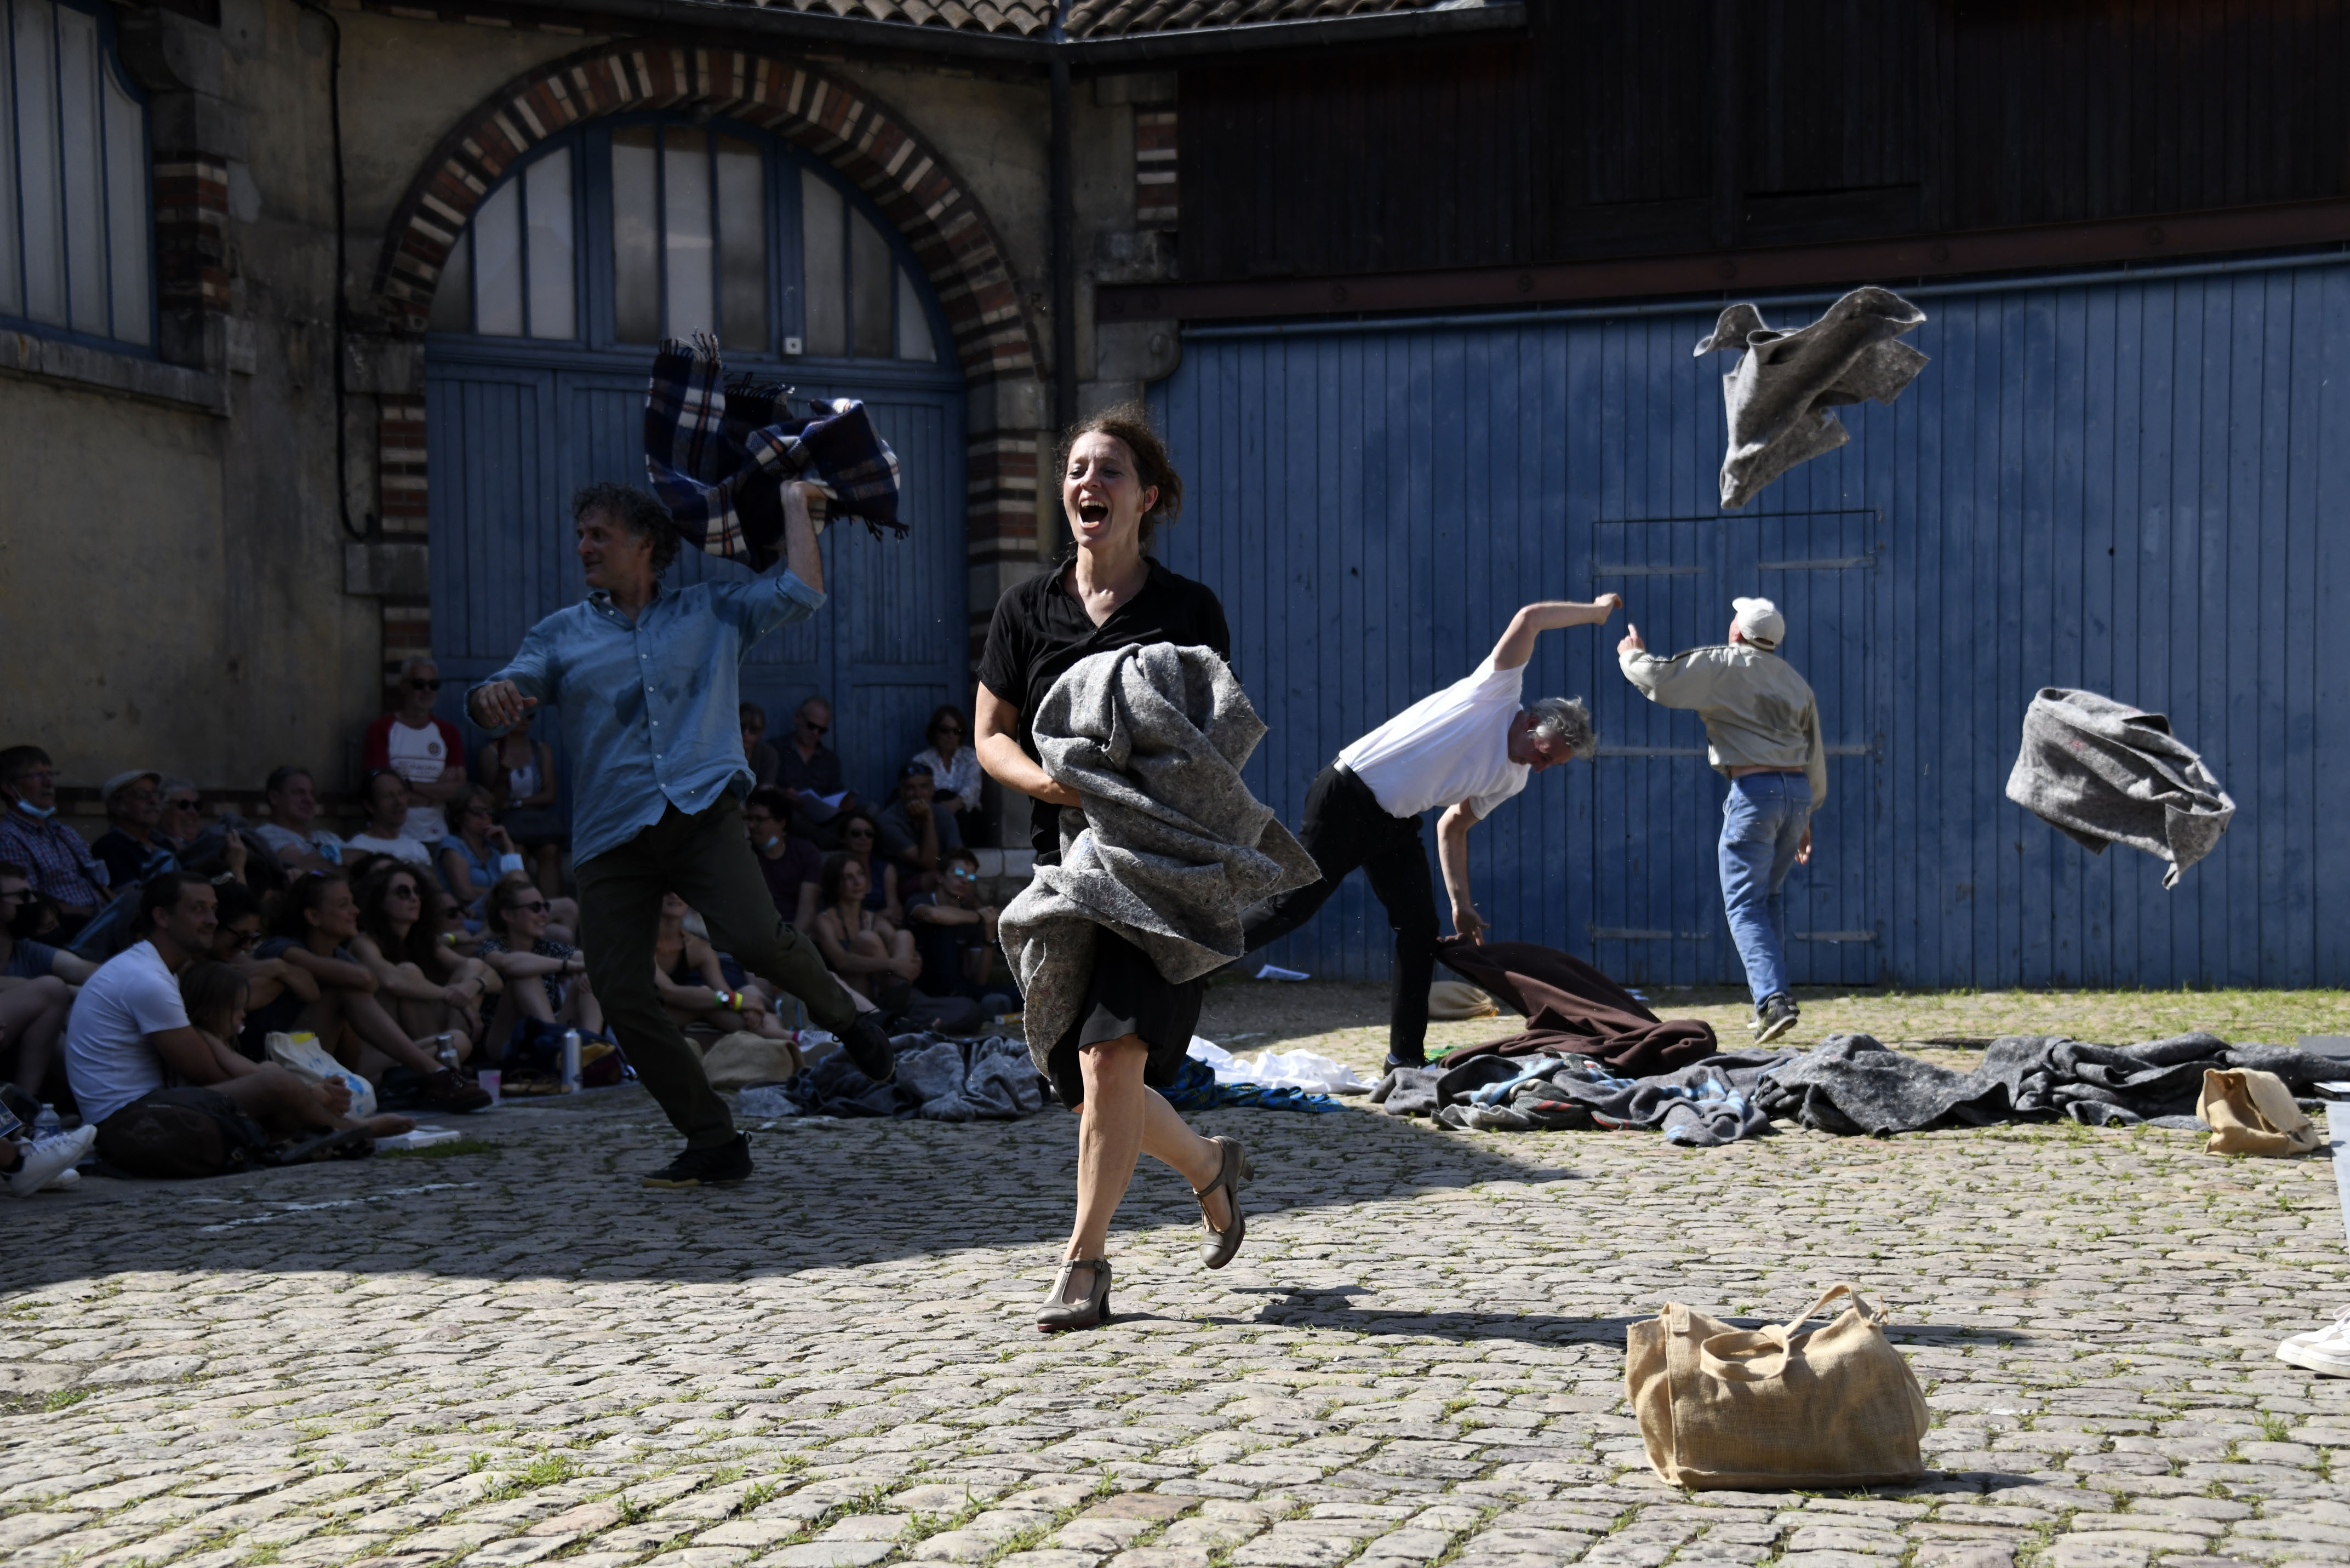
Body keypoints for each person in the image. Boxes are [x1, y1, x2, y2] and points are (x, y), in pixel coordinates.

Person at [466, 478, 895, 1188]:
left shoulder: (713, 610)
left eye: (599, 534)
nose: (583, 547)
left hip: (701, 813)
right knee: (622, 993)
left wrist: (794, 506)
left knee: (756, 937)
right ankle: (713, 1138)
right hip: (612, 833)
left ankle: (846, 1019)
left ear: (647, 544)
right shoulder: (561, 632)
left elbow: (800, 590)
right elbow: (507, 687)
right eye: (581, 536)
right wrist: (488, 698)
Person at [974, 404, 1252, 1332]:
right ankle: (1210, 1165)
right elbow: (989, 737)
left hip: (1160, 873)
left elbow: (1207, 745)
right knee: (1095, 1075)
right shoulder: (1026, 610)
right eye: (1077, 470)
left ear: (1149, 497)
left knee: (1108, 1056)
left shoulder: (1188, 609)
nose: (1087, 485)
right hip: (1067, 874)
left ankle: (1083, 1264)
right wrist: (1049, 785)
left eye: (1109, 472)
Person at [1240, 597, 1619, 1072]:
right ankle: (1189, 964)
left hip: (1395, 824)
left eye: (1551, 765)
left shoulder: (1514, 776)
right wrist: (1596, 611)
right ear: (1528, 722)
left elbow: (1453, 825)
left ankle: (1405, 1059)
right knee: (1291, 907)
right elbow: (1529, 618)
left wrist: (1461, 904)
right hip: (1346, 795)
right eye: (1543, 753)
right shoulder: (1495, 693)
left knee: (1419, 931)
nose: (1539, 768)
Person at [61, 873, 414, 1163]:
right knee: (276, 1084)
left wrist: (304, 1093)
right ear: (162, 917)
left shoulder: (157, 971)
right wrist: (306, 1092)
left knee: (276, 1087)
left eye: (213, 910)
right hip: (129, 1123)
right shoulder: (147, 979)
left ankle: (321, 1128)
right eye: (198, 910)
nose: (212, 921)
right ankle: (348, 1129)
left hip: (155, 1110)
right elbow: (206, 1072)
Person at [1618, 595, 1826, 1044]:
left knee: (1744, 905)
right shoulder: (1794, 681)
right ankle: (1768, 999)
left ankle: (1773, 1000)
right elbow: (1814, 751)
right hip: (1796, 794)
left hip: (1755, 793)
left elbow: (1660, 679)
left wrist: (1630, 656)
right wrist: (1806, 814)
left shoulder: (1723, 664)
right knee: (1766, 899)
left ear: (1737, 632)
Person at [257, 872, 491, 1109]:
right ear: (313, 916)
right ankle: (435, 1075)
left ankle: (426, 1077)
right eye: (343, 905)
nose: (354, 911)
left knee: (455, 1041)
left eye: (352, 903)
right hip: (282, 1062)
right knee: (346, 988)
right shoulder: (280, 947)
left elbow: (368, 981)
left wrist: (474, 986)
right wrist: (453, 995)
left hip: (338, 1059)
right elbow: (367, 979)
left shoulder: (340, 955)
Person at [177, 959, 417, 1142]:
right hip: (211, 1114)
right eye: (237, 1009)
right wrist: (308, 1091)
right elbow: (243, 1072)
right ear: (210, 1012)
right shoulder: (205, 1036)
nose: (243, 1015)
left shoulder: (216, 1039)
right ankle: (349, 1127)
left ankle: (328, 1119)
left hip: (230, 1108)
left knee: (273, 1071)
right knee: (270, 1071)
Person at [350, 861, 499, 1048]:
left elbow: (494, 977)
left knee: (473, 967)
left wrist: (475, 985)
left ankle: (455, 1051)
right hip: (383, 1047)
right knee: (409, 971)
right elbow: (392, 980)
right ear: (380, 902)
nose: (414, 898)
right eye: (403, 893)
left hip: (423, 1035)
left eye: (417, 891)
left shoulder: (421, 941)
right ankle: (451, 1052)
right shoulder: (364, 942)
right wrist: (455, 998)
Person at [477, 873, 602, 1048]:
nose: (545, 914)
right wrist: (569, 966)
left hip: (547, 1034)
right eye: (536, 907)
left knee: (588, 980)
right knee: (524, 976)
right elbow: (508, 964)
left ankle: (594, 1048)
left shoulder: (546, 947)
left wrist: (586, 971)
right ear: (508, 915)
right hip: (503, 1041)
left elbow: (590, 961)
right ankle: (554, 1049)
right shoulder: (492, 947)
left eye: (546, 906)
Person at [651, 894, 792, 1040]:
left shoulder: (698, 947)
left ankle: (795, 1038)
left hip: (670, 1017)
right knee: (707, 999)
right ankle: (792, 1038)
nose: (675, 895)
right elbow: (669, 992)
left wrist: (746, 1007)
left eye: (679, 889)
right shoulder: (641, 940)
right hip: (638, 1018)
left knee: (717, 1000)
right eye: (667, 889)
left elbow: (724, 992)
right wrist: (737, 1001)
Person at [0, 746, 108, 935]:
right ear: (10, 787)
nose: (49, 782)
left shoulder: (64, 832)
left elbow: (95, 884)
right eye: (38, 776)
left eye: (50, 774)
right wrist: (92, 913)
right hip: (65, 932)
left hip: (101, 922)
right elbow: (31, 907)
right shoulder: (8, 839)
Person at [208, 877, 318, 1060]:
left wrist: (279, 967)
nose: (247, 946)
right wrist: (281, 981)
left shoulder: (237, 957)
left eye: (254, 937)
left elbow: (313, 991)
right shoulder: (196, 965)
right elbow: (237, 999)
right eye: (242, 937)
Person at [365, 657, 468, 844]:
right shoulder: (381, 729)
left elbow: (459, 792)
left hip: (438, 837)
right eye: (419, 684)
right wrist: (436, 796)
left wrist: (409, 786)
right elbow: (380, 795)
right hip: (393, 838)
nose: (427, 690)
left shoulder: (449, 733)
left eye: (433, 684)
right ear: (404, 686)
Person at [905, 846, 1014, 1014]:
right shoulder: (919, 900)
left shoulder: (970, 919)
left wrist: (988, 937)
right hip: (921, 987)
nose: (965, 881)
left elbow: (979, 981)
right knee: (944, 926)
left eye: (970, 877)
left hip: (960, 990)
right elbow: (934, 915)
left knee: (1018, 995)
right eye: (959, 874)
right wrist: (980, 917)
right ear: (940, 877)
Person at [477, 707, 567, 899]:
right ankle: (524, 909)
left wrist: (516, 803)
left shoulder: (542, 750)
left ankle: (550, 910)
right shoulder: (491, 753)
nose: (525, 719)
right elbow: (494, 802)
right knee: (517, 853)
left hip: (537, 824)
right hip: (510, 826)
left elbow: (550, 795)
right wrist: (502, 774)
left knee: (550, 852)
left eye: (531, 715)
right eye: (519, 714)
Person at [810, 852, 921, 1005]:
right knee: (867, 939)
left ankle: (897, 998)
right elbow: (841, 962)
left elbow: (907, 955)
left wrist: (913, 961)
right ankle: (899, 1001)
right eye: (849, 877)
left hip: (879, 989)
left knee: (904, 936)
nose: (857, 882)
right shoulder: (824, 920)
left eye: (861, 874)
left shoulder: (875, 920)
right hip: (846, 994)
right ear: (835, 884)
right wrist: (893, 964)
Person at [438, 786, 527, 917]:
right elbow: (465, 892)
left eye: (489, 811)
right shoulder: (452, 844)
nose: (485, 816)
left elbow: (523, 888)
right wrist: (507, 896)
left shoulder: (494, 853)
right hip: (469, 915)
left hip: (504, 914)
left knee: (566, 911)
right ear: (459, 815)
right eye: (477, 811)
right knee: (516, 884)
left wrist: (509, 848)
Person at [744, 786, 821, 929]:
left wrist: (792, 945)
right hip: (755, 931)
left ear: (781, 822)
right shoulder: (744, 854)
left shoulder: (806, 853)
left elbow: (807, 910)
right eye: (749, 819)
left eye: (760, 819)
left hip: (795, 931)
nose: (752, 825)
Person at [776, 696, 851, 842]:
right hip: (791, 814)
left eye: (822, 730)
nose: (815, 733)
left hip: (824, 819)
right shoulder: (776, 749)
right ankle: (824, 840)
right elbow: (762, 785)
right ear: (798, 719)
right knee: (791, 815)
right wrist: (783, 793)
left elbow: (836, 793)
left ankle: (823, 838)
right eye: (811, 726)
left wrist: (844, 802)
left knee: (869, 810)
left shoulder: (830, 759)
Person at [91, 771, 178, 889]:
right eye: (142, 795)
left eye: (156, 794)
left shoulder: (163, 843)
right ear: (115, 806)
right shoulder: (109, 847)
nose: (154, 801)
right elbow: (131, 900)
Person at [912, 704, 984, 845]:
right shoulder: (921, 761)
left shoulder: (971, 758)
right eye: (945, 730)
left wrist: (953, 805)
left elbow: (973, 788)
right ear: (935, 732)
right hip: (934, 815)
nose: (951, 736)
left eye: (957, 731)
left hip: (966, 817)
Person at [255, 765, 346, 872]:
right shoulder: (267, 834)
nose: (309, 800)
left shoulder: (328, 836)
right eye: (299, 792)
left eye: (312, 794)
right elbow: (300, 866)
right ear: (275, 798)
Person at [345, 770, 436, 869]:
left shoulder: (417, 848)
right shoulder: (356, 848)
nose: (399, 802)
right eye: (389, 796)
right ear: (370, 806)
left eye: (401, 794)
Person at [835, 807, 903, 924]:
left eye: (869, 834)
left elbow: (894, 910)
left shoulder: (886, 869)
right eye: (856, 833)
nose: (864, 838)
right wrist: (879, 915)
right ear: (844, 838)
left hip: (880, 927)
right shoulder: (836, 868)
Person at [739, 703, 781, 788]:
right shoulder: (723, 751)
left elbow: (765, 790)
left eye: (753, 730)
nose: (746, 734)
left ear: (762, 732)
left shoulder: (768, 755)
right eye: (741, 727)